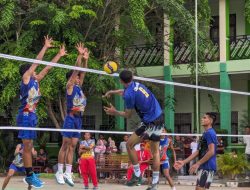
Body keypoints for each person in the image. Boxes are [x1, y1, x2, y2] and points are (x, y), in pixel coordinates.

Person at [17, 36, 66, 188]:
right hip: (25, 115)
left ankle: (30, 173)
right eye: (33, 69)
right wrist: (45, 47)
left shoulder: (36, 79)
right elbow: (37, 62)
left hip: (32, 115)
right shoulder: (26, 78)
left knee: (30, 145)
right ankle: (29, 175)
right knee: (26, 146)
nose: (36, 70)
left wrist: (58, 55)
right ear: (28, 71)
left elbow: (47, 67)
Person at [103, 70, 164, 190]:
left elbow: (128, 115)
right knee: (155, 152)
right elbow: (125, 92)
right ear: (132, 77)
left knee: (129, 144)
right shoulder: (137, 85)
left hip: (149, 122)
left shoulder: (129, 94)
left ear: (121, 81)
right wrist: (113, 92)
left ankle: (137, 175)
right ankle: (155, 183)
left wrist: (114, 112)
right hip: (159, 117)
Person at [55, 43, 89, 186]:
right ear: (73, 78)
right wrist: (79, 56)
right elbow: (77, 70)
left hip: (78, 119)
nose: (79, 78)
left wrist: (86, 59)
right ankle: (59, 171)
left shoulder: (79, 87)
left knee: (73, 145)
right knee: (66, 144)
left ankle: (68, 172)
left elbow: (83, 72)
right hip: (70, 117)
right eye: (77, 77)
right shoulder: (70, 86)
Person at [174, 112, 218, 190]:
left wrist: (197, 163)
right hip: (204, 166)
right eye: (202, 117)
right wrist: (183, 162)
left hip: (208, 166)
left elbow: (211, 151)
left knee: (199, 189)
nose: (202, 119)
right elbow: (198, 151)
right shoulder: (205, 133)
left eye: (205, 118)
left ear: (210, 121)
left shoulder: (210, 133)